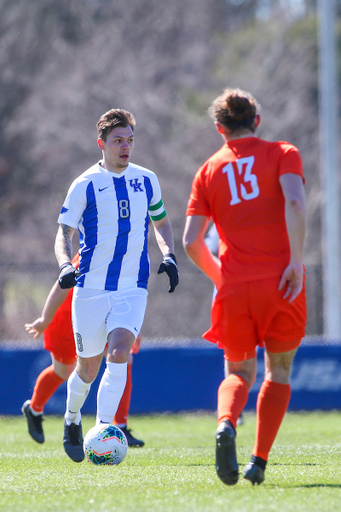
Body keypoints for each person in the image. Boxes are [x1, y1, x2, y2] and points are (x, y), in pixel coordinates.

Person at [183, 88, 306, 486]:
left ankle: (224, 424)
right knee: (280, 370)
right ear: (257, 121)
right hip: (280, 281)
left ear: (220, 129)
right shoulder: (283, 153)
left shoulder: (208, 170)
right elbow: (295, 203)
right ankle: (258, 460)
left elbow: (191, 241)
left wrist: (223, 279)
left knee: (238, 371)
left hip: (234, 286)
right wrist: (296, 261)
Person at [54, 108, 178, 463]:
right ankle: (72, 418)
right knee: (87, 369)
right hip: (90, 289)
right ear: (102, 144)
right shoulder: (84, 184)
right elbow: (63, 234)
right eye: (118, 141)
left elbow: (162, 223)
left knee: (120, 352)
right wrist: (65, 264)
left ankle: (105, 431)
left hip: (132, 287)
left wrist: (168, 255)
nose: (126, 147)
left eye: (130, 141)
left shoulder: (147, 179)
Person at [22, 254, 144, 447]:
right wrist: (45, 319)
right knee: (63, 370)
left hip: (102, 313)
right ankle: (34, 409)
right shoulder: (95, 251)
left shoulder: (127, 249)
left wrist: (132, 329)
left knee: (123, 357)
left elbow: (129, 293)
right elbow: (61, 285)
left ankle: (119, 426)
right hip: (66, 319)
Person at [204, 223, 244, 427]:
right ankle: (231, 410)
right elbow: (204, 246)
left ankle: (231, 410)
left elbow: (195, 244)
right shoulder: (220, 222)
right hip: (230, 291)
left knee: (237, 358)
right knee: (235, 356)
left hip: (238, 290)